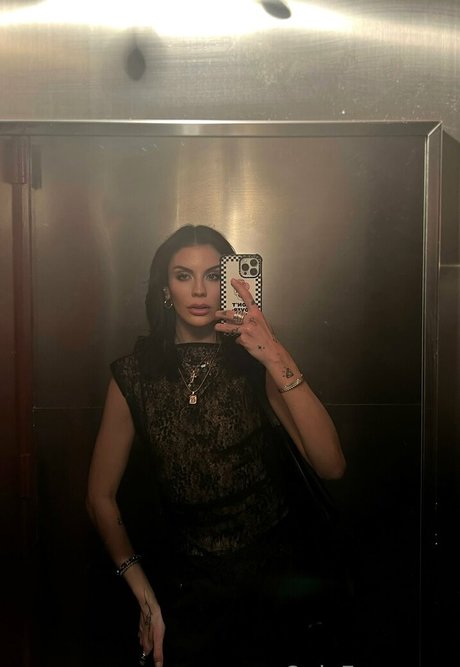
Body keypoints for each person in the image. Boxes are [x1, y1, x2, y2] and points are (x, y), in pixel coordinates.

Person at [86, 224, 346, 667]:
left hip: (275, 587)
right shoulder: (134, 376)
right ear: (165, 289)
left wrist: (275, 355)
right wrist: (143, 594)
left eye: (212, 275)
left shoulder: (255, 363)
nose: (199, 290)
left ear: (228, 282)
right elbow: (99, 496)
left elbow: (331, 466)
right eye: (183, 275)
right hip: (187, 594)